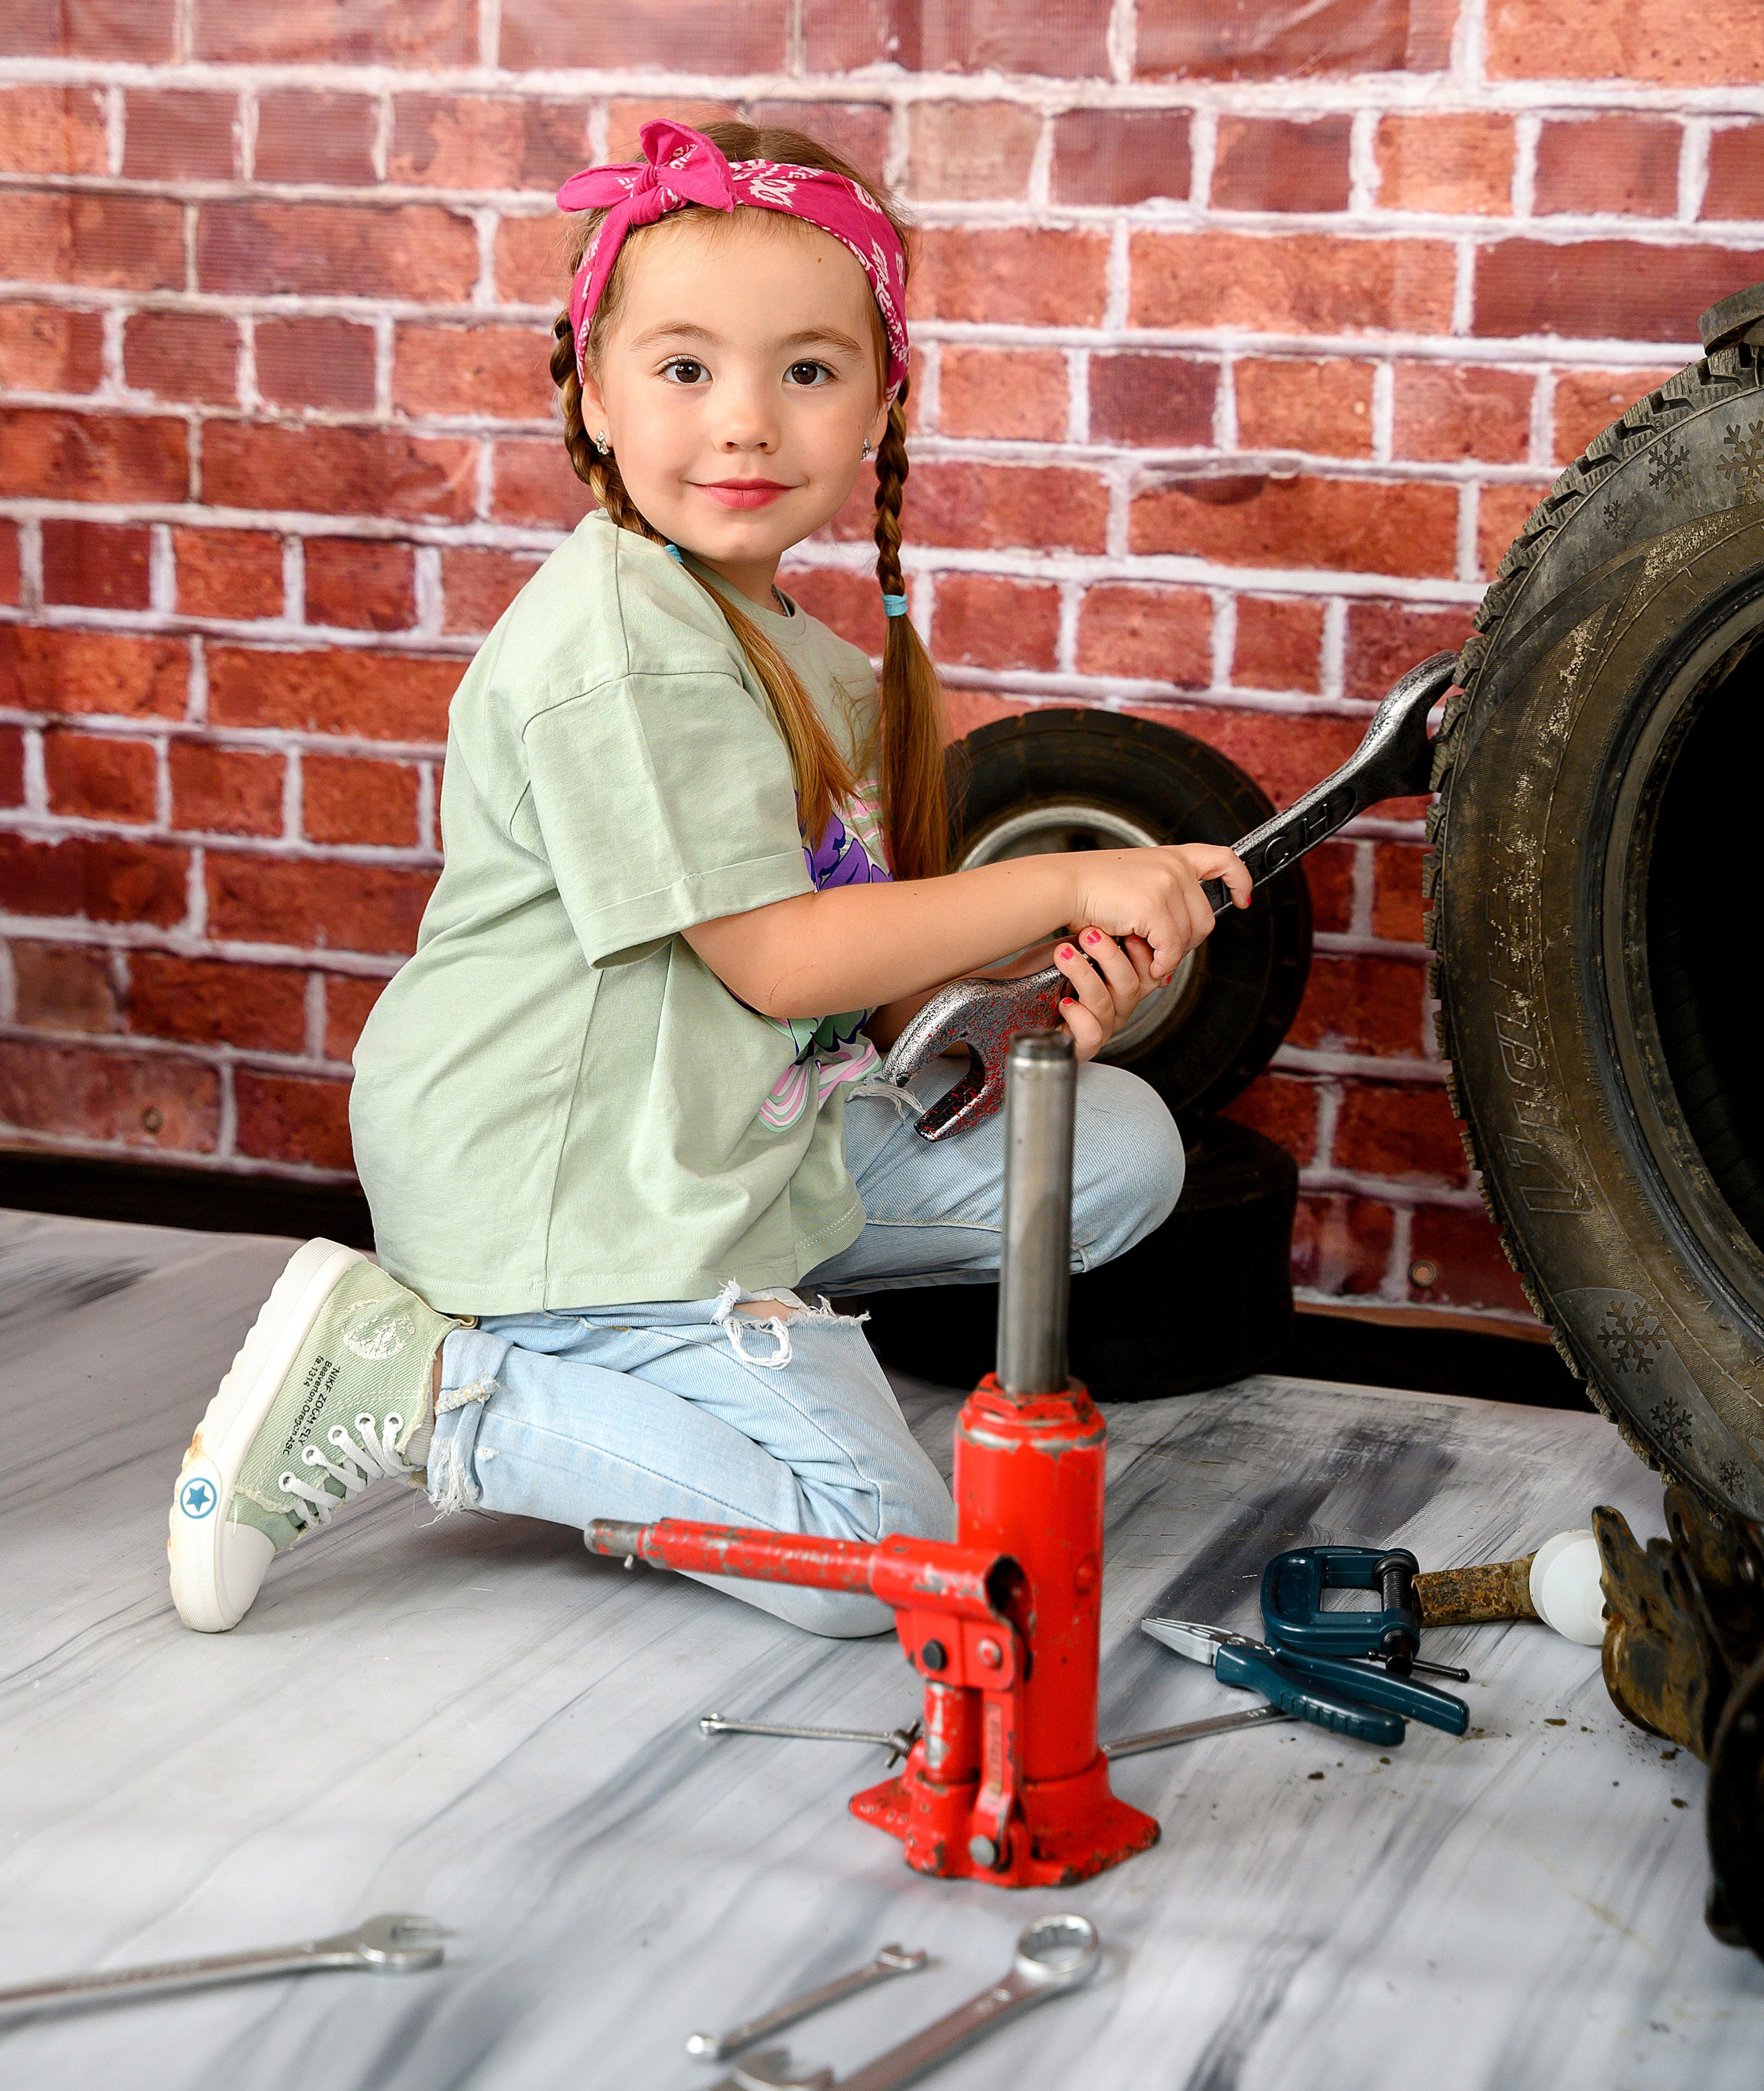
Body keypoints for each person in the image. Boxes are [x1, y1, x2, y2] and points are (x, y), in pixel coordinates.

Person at [167, 117, 1250, 1641]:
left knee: (1116, 1151)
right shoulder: (620, 643)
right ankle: (432, 1381)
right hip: (568, 1176)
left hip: (710, 1132)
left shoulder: (807, 657)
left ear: (880, 398)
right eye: (685, 369)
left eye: (805, 370)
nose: (745, 423)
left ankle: (701, 1335)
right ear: (593, 391)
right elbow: (783, 962)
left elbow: (855, 985)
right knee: (875, 1553)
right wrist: (1067, 879)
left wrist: (1021, 1009)